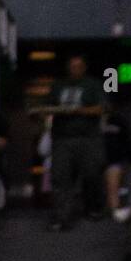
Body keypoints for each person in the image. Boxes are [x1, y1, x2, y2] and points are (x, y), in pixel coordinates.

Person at [38, 53, 105, 231]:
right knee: (60, 178)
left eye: (78, 66)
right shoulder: (58, 85)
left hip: (87, 138)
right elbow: (47, 106)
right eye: (72, 66)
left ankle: (93, 208)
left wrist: (77, 110)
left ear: (84, 68)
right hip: (62, 139)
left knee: (92, 174)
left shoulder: (93, 85)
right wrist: (49, 111)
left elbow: (101, 108)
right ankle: (61, 217)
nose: (74, 69)